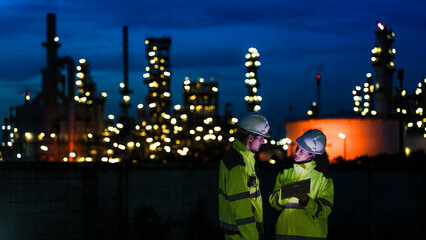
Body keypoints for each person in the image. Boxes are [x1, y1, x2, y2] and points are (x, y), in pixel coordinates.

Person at [269, 129, 334, 240]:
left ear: (313, 155)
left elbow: (325, 210)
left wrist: (306, 202)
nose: (297, 153)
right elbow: (274, 204)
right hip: (284, 235)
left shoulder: (323, 179)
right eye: (298, 148)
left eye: (302, 151)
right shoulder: (285, 174)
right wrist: (286, 192)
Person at [218, 112, 271, 240]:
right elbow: (241, 208)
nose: (264, 141)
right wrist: (253, 237)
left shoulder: (243, 158)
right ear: (251, 137)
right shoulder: (237, 164)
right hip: (242, 236)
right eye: (262, 137)